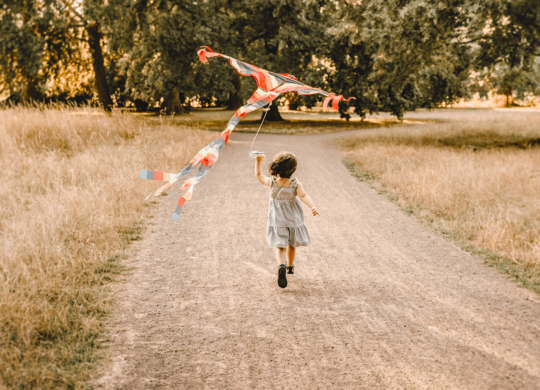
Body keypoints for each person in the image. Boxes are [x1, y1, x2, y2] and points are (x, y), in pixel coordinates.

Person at [255, 151, 320, 288]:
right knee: (292, 243)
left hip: (277, 219)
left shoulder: (272, 182)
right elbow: (303, 196)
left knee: (280, 246)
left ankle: (281, 265)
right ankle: (290, 266)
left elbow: (259, 176)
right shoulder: (295, 183)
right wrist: (312, 206)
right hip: (292, 218)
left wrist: (258, 161)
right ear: (293, 169)